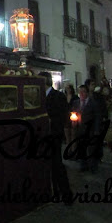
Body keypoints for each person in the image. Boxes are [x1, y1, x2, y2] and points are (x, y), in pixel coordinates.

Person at [39, 72, 73, 206]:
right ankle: (54, 192)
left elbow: (62, 116)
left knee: (57, 164)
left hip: (54, 135)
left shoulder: (58, 96)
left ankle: (66, 194)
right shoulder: (39, 96)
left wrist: (51, 122)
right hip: (43, 135)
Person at [71, 84, 104, 173]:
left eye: (83, 92)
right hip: (80, 129)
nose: (81, 94)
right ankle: (83, 165)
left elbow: (97, 117)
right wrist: (73, 121)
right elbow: (73, 114)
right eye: (80, 92)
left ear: (87, 93)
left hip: (91, 129)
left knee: (91, 148)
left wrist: (97, 129)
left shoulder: (93, 103)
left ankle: (93, 166)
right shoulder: (76, 102)